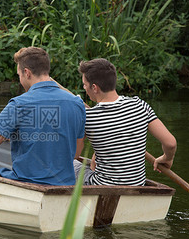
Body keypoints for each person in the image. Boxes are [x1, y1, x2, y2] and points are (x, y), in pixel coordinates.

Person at [0, 47, 86, 186]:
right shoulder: (77, 104)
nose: (20, 80)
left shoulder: (19, 104)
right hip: (65, 184)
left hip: (27, 182)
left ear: (27, 73)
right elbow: (76, 154)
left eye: (19, 75)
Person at [74, 58, 177, 186]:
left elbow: (74, 153)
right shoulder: (140, 105)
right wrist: (167, 158)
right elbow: (170, 143)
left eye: (84, 85)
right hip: (137, 185)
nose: (84, 88)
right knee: (95, 159)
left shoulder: (87, 117)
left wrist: (76, 113)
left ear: (94, 88)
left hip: (103, 186)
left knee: (71, 164)